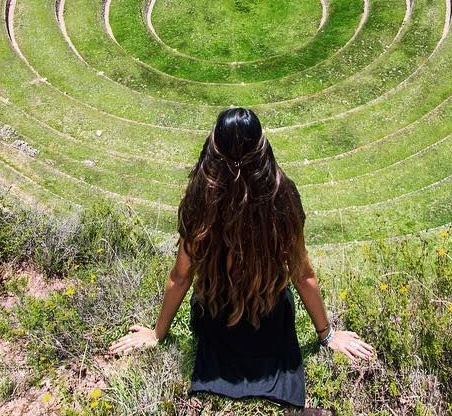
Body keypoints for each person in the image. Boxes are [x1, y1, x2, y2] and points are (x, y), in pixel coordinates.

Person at [109, 108, 374, 411]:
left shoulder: (200, 200)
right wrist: (327, 335)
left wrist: (157, 333)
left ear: (213, 150)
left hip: (214, 319)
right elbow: (302, 274)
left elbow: (181, 276)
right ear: (263, 148)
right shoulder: (283, 196)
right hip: (271, 322)